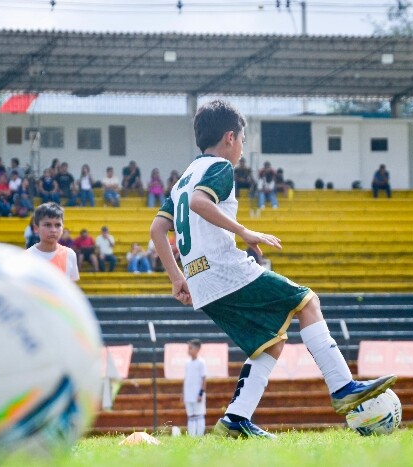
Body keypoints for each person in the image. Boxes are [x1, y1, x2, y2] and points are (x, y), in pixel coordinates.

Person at [149, 99, 395, 439]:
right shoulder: (220, 167)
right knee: (306, 301)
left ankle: (236, 419)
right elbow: (200, 202)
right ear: (230, 137)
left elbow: (157, 229)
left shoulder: (182, 180)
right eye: (243, 140)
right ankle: (342, 387)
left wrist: (177, 278)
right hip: (225, 269)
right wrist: (245, 232)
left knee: (270, 342)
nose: (242, 147)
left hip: (200, 280)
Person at [25, 203, 79, 281]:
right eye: (48, 225)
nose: (53, 230)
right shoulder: (27, 257)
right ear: (36, 228)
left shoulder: (70, 254)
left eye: (57, 225)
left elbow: (70, 285)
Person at [183, 339, 207, 436]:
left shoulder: (201, 362)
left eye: (190, 348)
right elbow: (186, 379)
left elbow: (204, 379)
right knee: (191, 415)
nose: (188, 350)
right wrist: (183, 394)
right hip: (188, 394)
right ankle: (191, 436)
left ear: (197, 349)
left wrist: (201, 393)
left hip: (197, 393)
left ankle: (199, 435)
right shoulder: (187, 363)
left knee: (199, 414)